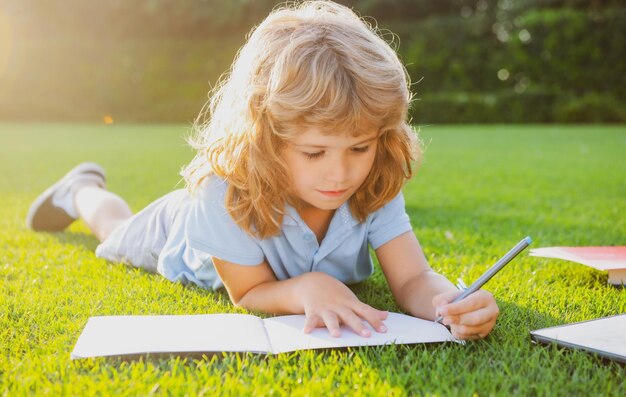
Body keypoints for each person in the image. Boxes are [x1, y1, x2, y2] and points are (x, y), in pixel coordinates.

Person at [26, 0, 498, 340]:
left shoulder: (374, 180)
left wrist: (448, 303)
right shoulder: (220, 192)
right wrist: (306, 288)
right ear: (265, 137)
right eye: (314, 153)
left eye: (359, 146)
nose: (341, 174)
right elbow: (249, 292)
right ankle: (81, 189)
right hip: (179, 235)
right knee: (114, 231)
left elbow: (413, 280)